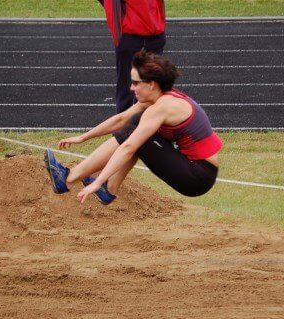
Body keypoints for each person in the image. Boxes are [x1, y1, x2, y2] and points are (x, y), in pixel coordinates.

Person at [44, 50, 223, 206]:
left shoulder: (163, 107)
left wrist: (97, 181)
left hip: (197, 177)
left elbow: (129, 147)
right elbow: (121, 119)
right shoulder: (154, 98)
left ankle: (67, 179)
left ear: (151, 84)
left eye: (136, 83)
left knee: (137, 135)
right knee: (135, 125)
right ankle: (109, 188)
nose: (131, 88)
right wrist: (83, 137)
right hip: (192, 167)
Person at [97, 0, 166, 113]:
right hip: (130, 35)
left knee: (153, 86)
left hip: (155, 33)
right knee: (127, 86)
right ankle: (124, 128)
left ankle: (149, 126)